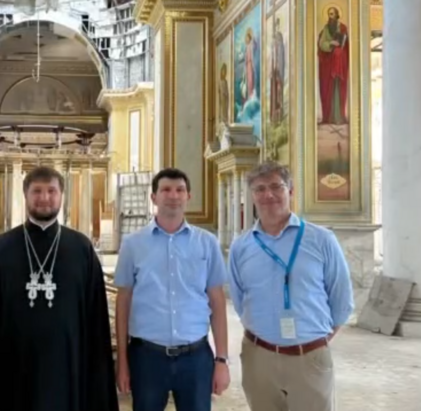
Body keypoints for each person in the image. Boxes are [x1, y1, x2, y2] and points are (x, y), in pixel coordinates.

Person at [0, 166, 118, 411]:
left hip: (67, 363)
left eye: (51, 191)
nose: (44, 198)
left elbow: (96, 317)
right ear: (25, 196)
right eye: (37, 191)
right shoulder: (0, 249)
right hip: (12, 365)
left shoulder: (81, 248)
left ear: (61, 196)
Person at [228, 161, 354, 411]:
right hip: (258, 357)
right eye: (260, 189)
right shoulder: (241, 246)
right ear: (252, 196)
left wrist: (310, 341)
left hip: (309, 358)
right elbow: (240, 300)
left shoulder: (321, 239)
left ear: (291, 191)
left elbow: (341, 301)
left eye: (277, 186)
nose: (269, 195)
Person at [114, 168, 230, 411]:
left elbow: (217, 303)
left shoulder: (206, 243)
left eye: (180, 190)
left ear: (189, 196)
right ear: (153, 197)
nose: (173, 195)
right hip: (147, 357)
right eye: (165, 189)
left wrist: (221, 359)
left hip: (196, 358)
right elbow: (123, 303)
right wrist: (123, 362)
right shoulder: (133, 245)